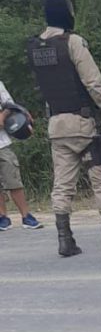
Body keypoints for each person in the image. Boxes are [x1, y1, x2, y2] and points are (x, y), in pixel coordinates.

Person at [27, 0, 101, 256]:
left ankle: (65, 240)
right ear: (66, 14)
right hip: (83, 124)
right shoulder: (73, 42)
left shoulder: (34, 47)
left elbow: (42, 87)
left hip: (56, 124)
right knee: (100, 178)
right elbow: (94, 84)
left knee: (62, 184)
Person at [0, 81, 43, 231]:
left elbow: (10, 105)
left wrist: (2, 116)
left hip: (2, 143)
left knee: (14, 181)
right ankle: (2, 217)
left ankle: (26, 216)